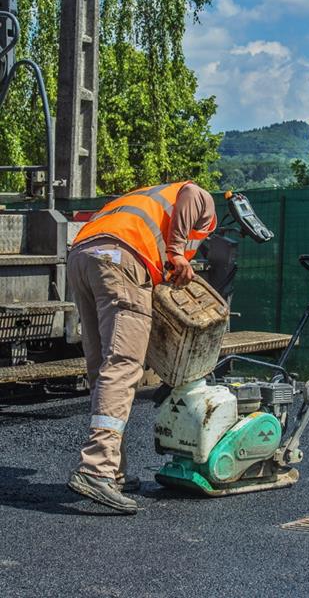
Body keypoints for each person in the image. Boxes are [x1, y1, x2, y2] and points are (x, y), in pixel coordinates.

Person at [67, 181, 216, 514]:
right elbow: (194, 194)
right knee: (123, 364)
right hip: (122, 258)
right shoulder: (199, 201)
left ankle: (114, 470)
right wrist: (178, 253)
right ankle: (97, 469)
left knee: (103, 368)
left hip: (82, 256)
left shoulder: (142, 198)